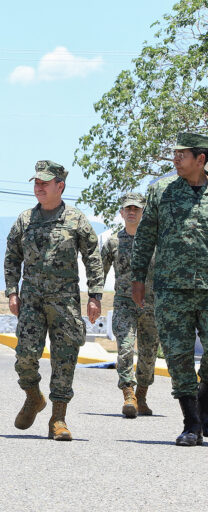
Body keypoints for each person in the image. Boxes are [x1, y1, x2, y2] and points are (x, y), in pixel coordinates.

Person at [4, 160, 103, 441]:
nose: (39, 187)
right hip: (31, 301)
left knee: (64, 360)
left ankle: (58, 419)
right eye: (36, 183)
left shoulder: (75, 219)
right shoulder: (25, 220)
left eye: (44, 183)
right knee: (25, 355)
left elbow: (93, 257)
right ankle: (34, 397)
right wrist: (12, 291)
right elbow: (12, 257)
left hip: (65, 302)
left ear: (60, 186)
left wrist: (95, 296)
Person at [131, 132, 208, 446]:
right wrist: (137, 278)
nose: (175, 159)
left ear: (201, 159)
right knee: (178, 358)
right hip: (170, 290)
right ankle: (191, 424)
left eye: (182, 155)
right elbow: (145, 237)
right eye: (174, 154)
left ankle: (203, 404)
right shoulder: (160, 191)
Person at [100, 193, 160, 418]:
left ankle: (142, 395)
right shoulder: (113, 242)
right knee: (125, 347)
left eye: (136, 208)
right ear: (122, 213)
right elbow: (99, 272)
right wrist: (95, 298)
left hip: (151, 304)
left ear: (143, 213)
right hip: (124, 303)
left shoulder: (155, 243)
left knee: (148, 352)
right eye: (128, 209)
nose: (132, 212)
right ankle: (128, 395)